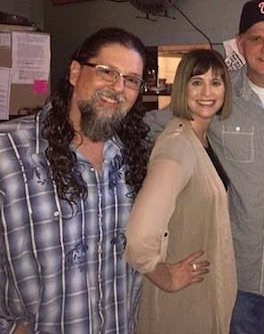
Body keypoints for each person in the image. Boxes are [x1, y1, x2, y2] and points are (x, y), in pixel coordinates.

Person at [145, 0, 264, 333]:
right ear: (240, 43)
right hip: (237, 263)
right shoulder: (219, 94)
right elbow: (151, 124)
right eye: (255, 38)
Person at [0, 27, 151, 333]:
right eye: (107, 72)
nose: (118, 87)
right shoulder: (8, 152)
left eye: (131, 80)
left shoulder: (135, 159)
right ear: (74, 72)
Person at [126, 49, 237, 333]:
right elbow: (140, 235)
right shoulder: (177, 145)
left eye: (216, 82)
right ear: (182, 88)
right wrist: (164, 276)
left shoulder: (201, 138)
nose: (207, 92)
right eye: (196, 82)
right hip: (184, 303)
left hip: (201, 295)